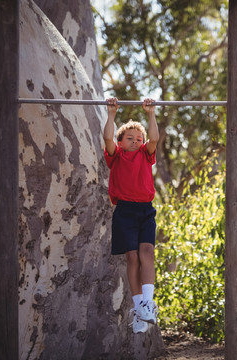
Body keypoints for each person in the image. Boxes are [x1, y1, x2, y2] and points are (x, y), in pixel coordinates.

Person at [103, 97, 159, 334]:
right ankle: (138, 309)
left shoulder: (147, 154)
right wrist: (112, 115)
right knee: (133, 258)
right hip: (125, 210)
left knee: (147, 252)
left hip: (145, 209)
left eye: (139, 139)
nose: (136, 141)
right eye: (130, 138)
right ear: (120, 142)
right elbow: (107, 137)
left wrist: (151, 114)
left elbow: (154, 138)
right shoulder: (115, 156)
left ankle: (148, 302)